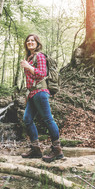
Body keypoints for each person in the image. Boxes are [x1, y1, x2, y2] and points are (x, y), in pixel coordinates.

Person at [20, 34, 64, 163]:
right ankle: (35, 149)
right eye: (28, 40)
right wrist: (27, 94)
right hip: (32, 93)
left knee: (48, 119)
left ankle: (57, 150)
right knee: (27, 119)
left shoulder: (39, 56)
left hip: (41, 91)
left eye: (32, 40)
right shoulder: (30, 58)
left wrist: (28, 67)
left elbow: (42, 73)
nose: (30, 42)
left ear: (37, 43)